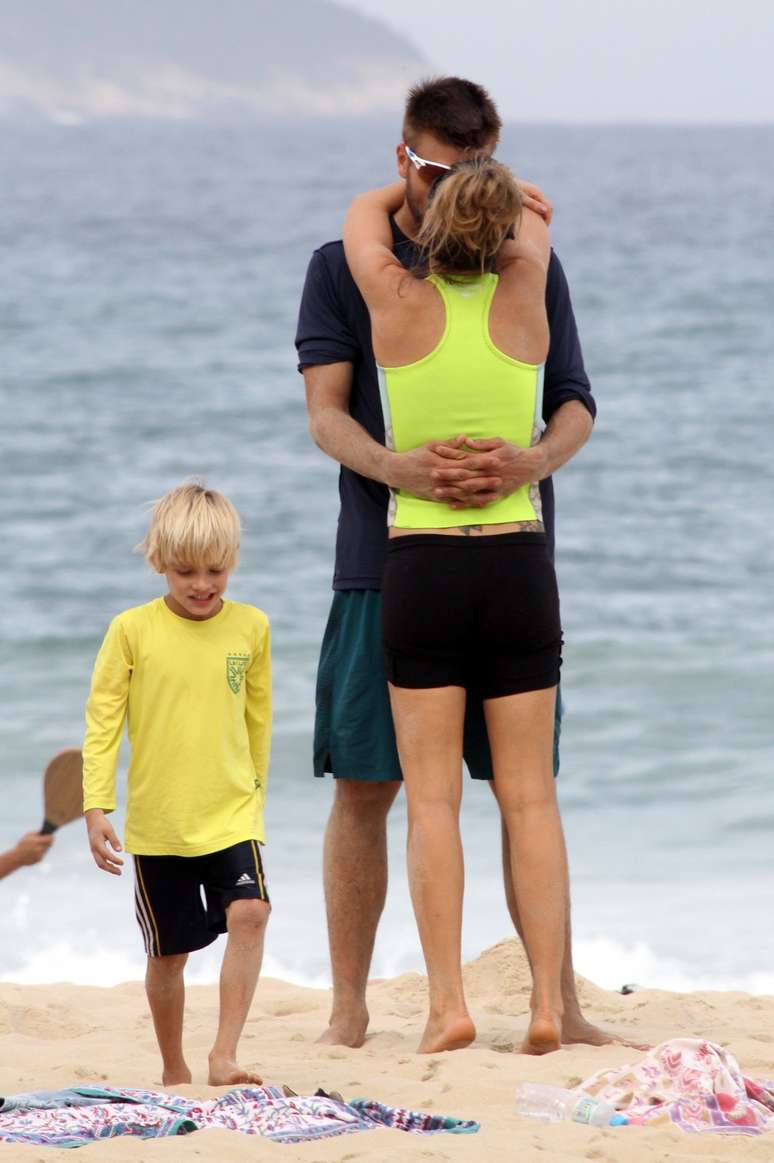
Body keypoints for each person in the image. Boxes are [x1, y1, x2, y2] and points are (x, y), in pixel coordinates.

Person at [296, 76, 622, 1051]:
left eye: (470, 170)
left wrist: (532, 457)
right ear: (405, 156)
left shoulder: (395, 284)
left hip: (437, 555)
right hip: (396, 564)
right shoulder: (514, 264)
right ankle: (351, 1007)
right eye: (439, 167)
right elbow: (325, 416)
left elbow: (574, 403)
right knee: (374, 783)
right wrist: (393, 461)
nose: (450, 185)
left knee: (475, 792)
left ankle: (535, 1003)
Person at [343, 160, 565, 1053]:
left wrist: (411, 184)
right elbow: (535, 229)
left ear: (430, 229)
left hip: (424, 565)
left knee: (432, 800)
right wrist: (509, 201)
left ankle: (450, 1006)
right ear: (506, 228)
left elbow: (363, 213)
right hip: (518, 561)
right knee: (531, 798)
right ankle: (547, 1005)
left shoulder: (396, 305)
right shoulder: (529, 296)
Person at [82, 482, 272, 1087]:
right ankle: (173, 1065)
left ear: (232, 562)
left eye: (215, 570)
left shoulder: (251, 627)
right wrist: (95, 804)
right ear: (159, 563)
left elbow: (258, 719)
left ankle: (224, 1055)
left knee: (252, 911)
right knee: (169, 954)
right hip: (160, 822)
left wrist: (256, 796)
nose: (201, 584)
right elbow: (103, 719)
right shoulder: (131, 630)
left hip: (230, 812)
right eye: (185, 570)